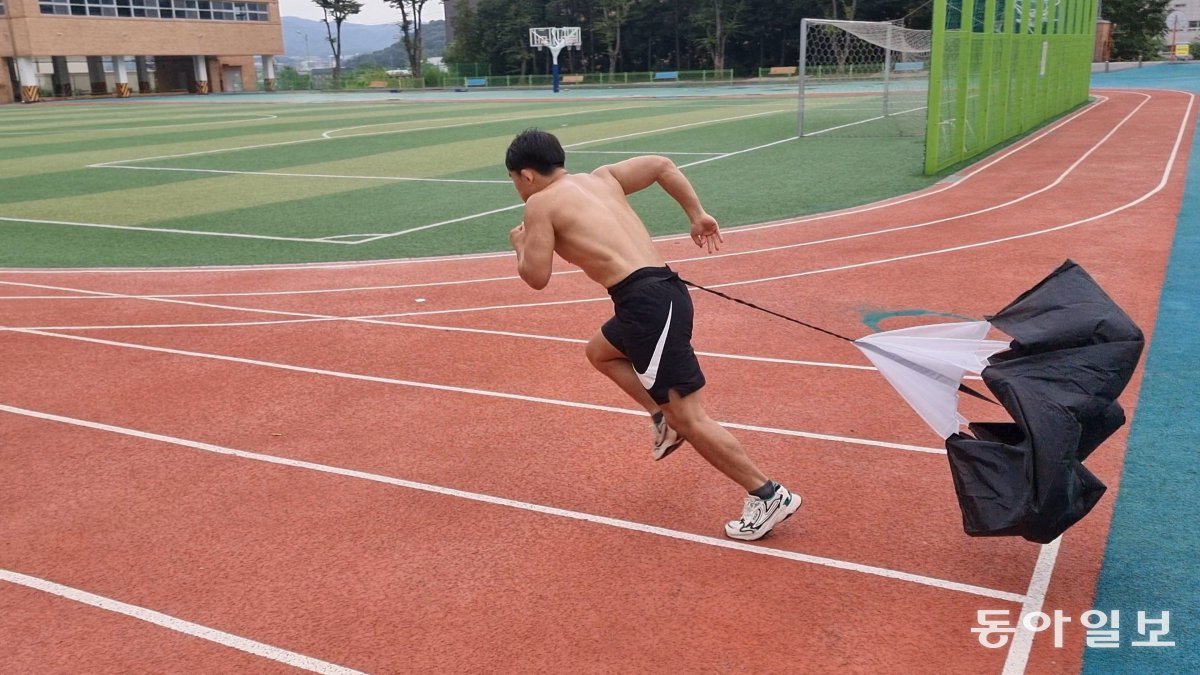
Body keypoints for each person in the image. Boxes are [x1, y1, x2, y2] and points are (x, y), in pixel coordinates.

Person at [504, 129, 801, 541]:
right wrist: (697, 214)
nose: (518, 189)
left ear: (527, 175)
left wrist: (518, 244)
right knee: (600, 352)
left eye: (515, 181)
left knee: (691, 415)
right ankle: (663, 416)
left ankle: (767, 494)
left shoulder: (540, 204)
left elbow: (536, 277)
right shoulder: (603, 178)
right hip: (660, 291)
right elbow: (662, 165)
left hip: (646, 305)